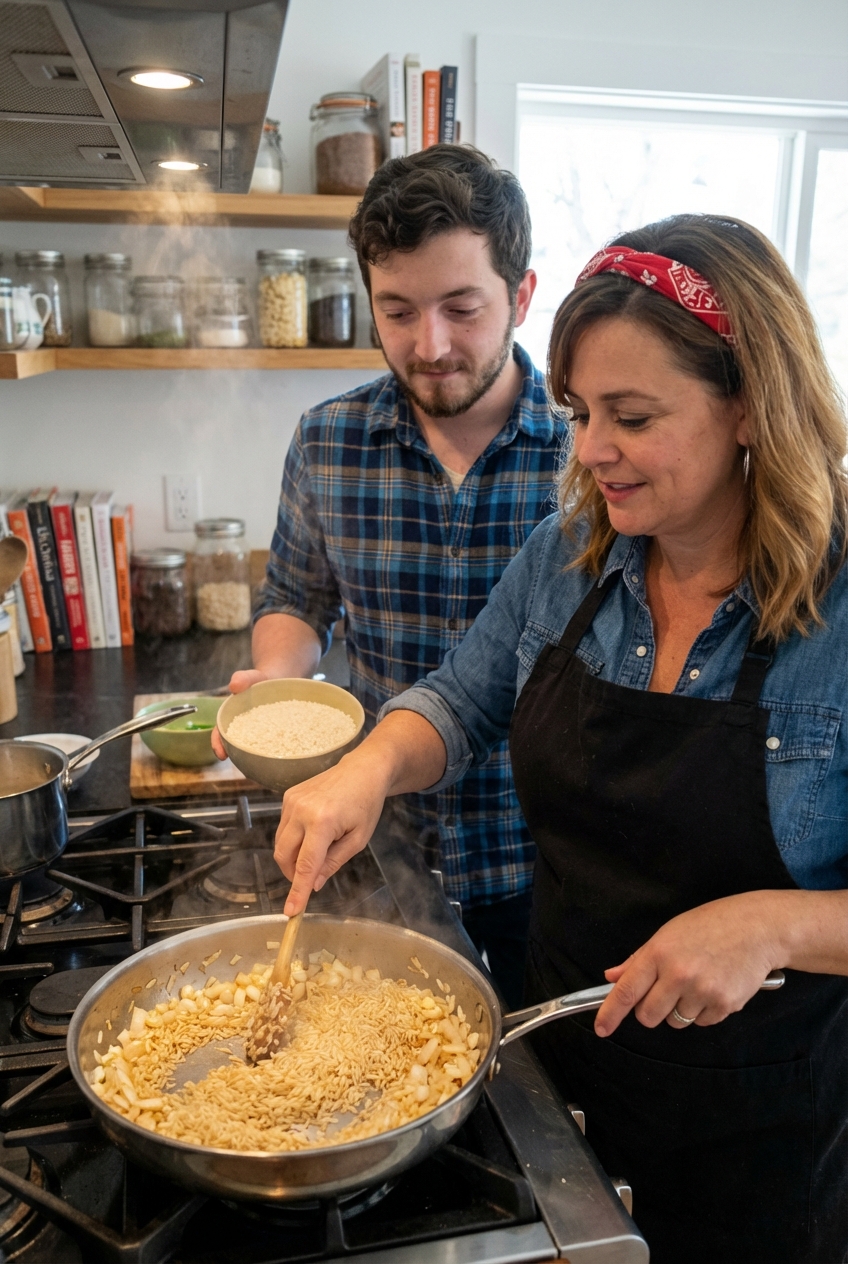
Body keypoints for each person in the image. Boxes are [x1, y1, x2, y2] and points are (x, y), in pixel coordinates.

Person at [272, 213, 848, 1264]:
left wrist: (770, 925)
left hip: (761, 1127)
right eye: (578, 411)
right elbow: (457, 699)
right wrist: (366, 767)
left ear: (751, 408)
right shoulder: (570, 553)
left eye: (629, 415)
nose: (588, 452)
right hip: (555, 1074)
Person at [213, 144, 566, 1007]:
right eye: (398, 310)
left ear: (521, 295)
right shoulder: (329, 439)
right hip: (375, 846)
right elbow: (296, 596)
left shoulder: (589, 457)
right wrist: (279, 682)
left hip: (543, 860)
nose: (430, 344)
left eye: (461, 307)